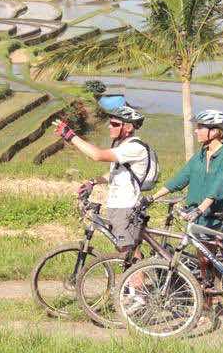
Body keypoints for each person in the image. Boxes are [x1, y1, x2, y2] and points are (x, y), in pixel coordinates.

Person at [152, 109, 223, 326]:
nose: (196, 130)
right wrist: (152, 198)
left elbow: (217, 187)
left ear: (216, 132)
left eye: (201, 127)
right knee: (205, 264)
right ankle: (207, 308)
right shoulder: (201, 154)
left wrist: (200, 208)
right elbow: (180, 178)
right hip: (201, 217)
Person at [53, 106, 152, 255]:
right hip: (118, 206)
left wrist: (71, 135)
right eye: (110, 123)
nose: (110, 126)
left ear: (129, 127)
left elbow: (97, 155)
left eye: (115, 124)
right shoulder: (123, 146)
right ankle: (135, 276)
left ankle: (138, 278)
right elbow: (116, 173)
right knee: (125, 251)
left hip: (126, 207)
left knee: (128, 253)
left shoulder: (134, 148)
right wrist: (93, 182)